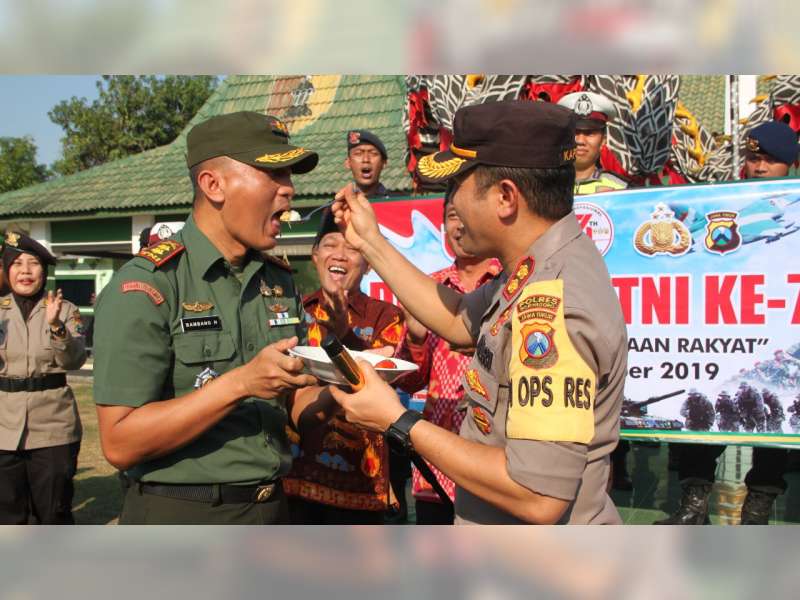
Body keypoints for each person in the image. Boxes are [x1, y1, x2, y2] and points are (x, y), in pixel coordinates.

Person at [329, 99, 628, 524]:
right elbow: (457, 319)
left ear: (505, 197)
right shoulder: (536, 263)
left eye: (458, 185)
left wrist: (396, 420)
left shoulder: (553, 304)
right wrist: (370, 243)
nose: (453, 204)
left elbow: (536, 495)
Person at [92, 111, 336, 524]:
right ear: (213, 185)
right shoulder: (148, 286)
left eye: (290, 175)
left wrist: (343, 391)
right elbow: (119, 441)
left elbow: (295, 406)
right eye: (273, 174)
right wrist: (240, 384)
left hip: (272, 511)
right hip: (182, 516)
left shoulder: (277, 280)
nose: (289, 189)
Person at [656, 120, 799, 525]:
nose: (760, 167)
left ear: (790, 163)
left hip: (779, 333)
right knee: (703, 408)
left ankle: (758, 508)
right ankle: (694, 503)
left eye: (770, 160)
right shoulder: (727, 202)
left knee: (776, 416)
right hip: (727, 329)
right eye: (754, 158)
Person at [283, 210, 411, 524]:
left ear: (368, 264)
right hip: (295, 481)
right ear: (315, 256)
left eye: (352, 249)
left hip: (363, 486)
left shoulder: (386, 316)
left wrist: (343, 336)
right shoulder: (292, 312)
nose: (340, 254)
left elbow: (384, 378)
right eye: (329, 245)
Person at [400, 193, 502, 524]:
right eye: (451, 217)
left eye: (465, 215)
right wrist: (415, 338)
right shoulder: (429, 289)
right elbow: (410, 381)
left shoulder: (510, 285)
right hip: (436, 466)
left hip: (495, 465)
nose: (458, 226)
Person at [0, 233, 86, 524]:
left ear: (44, 271)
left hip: (52, 426)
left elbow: (74, 360)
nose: (25, 271)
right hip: (3, 427)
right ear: (6, 270)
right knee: (7, 513)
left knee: (54, 512)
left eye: (33, 263)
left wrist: (56, 325)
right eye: (17, 264)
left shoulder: (66, 309)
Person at [557, 91, 628, 195]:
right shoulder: (545, 185)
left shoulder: (621, 189)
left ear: (603, 140)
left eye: (589, 133)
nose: (580, 141)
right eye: (575, 132)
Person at [345, 130, 393, 199]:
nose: (366, 159)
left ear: (384, 163)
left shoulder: (399, 203)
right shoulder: (337, 205)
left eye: (373, 153)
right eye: (358, 153)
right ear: (348, 163)